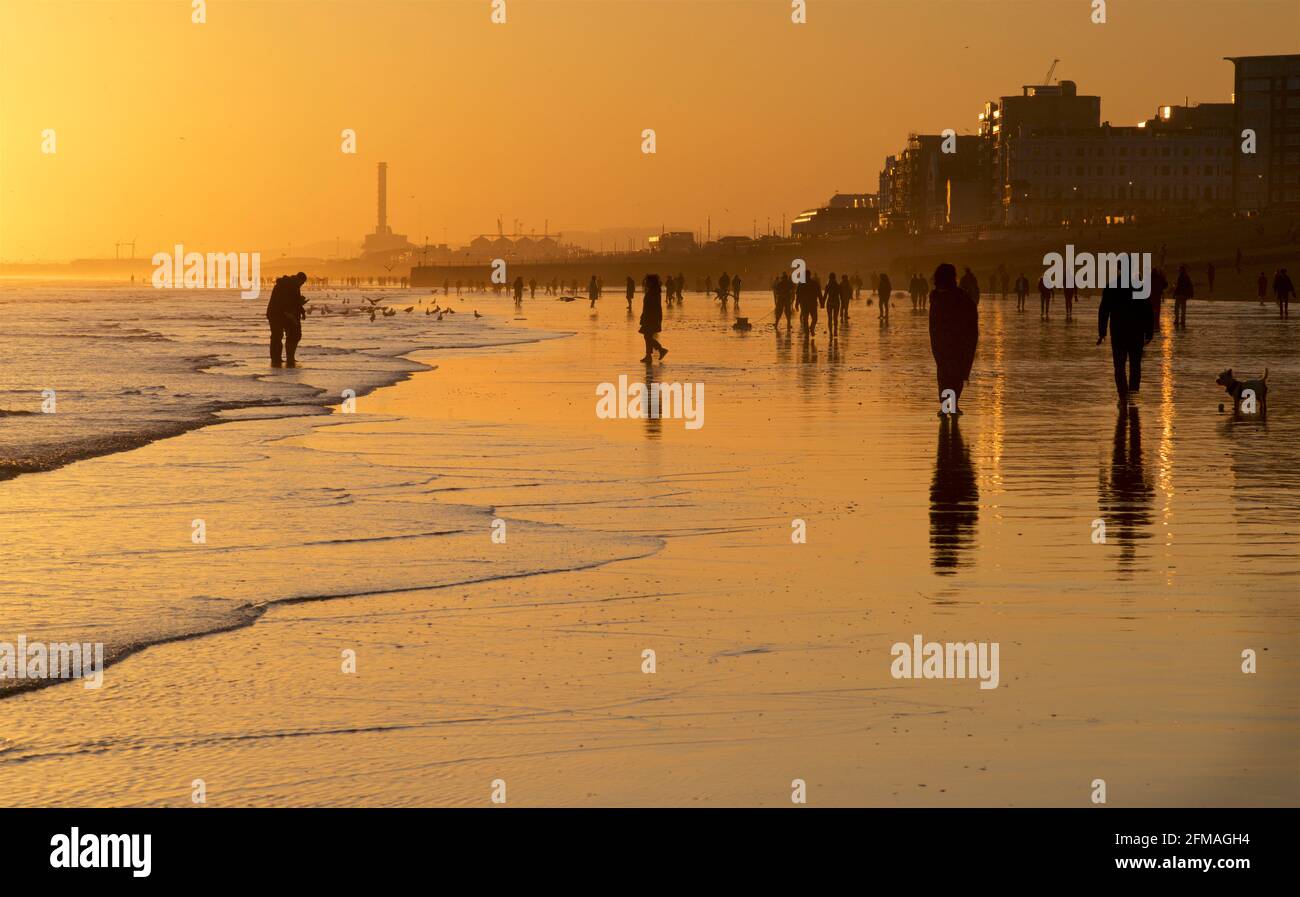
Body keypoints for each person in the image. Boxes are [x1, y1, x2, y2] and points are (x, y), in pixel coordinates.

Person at [928, 264, 978, 416]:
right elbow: (972, 320)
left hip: (941, 342)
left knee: (944, 375)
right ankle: (953, 405)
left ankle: (946, 406)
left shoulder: (936, 297)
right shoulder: (962, 296)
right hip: (960, 342)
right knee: (957, 374)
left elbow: (933, 324)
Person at [1098, 280, 1154, 406]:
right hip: (1136, 332)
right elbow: (1148, 310)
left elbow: (1104, 310)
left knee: (1119, 366)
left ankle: (1122, 397)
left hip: (1118, 332)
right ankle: (1132, 397)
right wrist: (1149, 332)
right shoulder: (1139, 286)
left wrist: (1102, 332)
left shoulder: (1111, 287)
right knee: (1135, 366)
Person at [266, 271, 307, 368]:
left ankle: (281, 358)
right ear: (300, 280)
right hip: (277, 314)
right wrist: (290, 314)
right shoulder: (291, 285)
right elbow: (284, 301)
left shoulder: (291, 284)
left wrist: (302, 310)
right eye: (302, 282)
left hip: (278, 313)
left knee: (281, 335)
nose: (302, 285)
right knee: (278, 336)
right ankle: (278, 359)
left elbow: (294, 300)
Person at [639, 274, 667, 362]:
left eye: (648, 282)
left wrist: (647, 317)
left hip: (651, 318)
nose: (646, 283)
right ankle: (648, 356)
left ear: (651, 283)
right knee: (647, 336)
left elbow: (653, 307)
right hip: (649, 317)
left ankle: (660, 350)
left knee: (647, 336)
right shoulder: (653, 291)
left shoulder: (654, 292)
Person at [824, 273, 841, 339]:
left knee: (830, 318)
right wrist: (843, 304)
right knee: (835, 318)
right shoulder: (837, 285)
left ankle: (831, 332)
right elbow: (841, 295)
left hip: (830, 302)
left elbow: (825, 295)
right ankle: (835, 331)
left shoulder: (828, 286)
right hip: (836, 302)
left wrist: (822, 303)